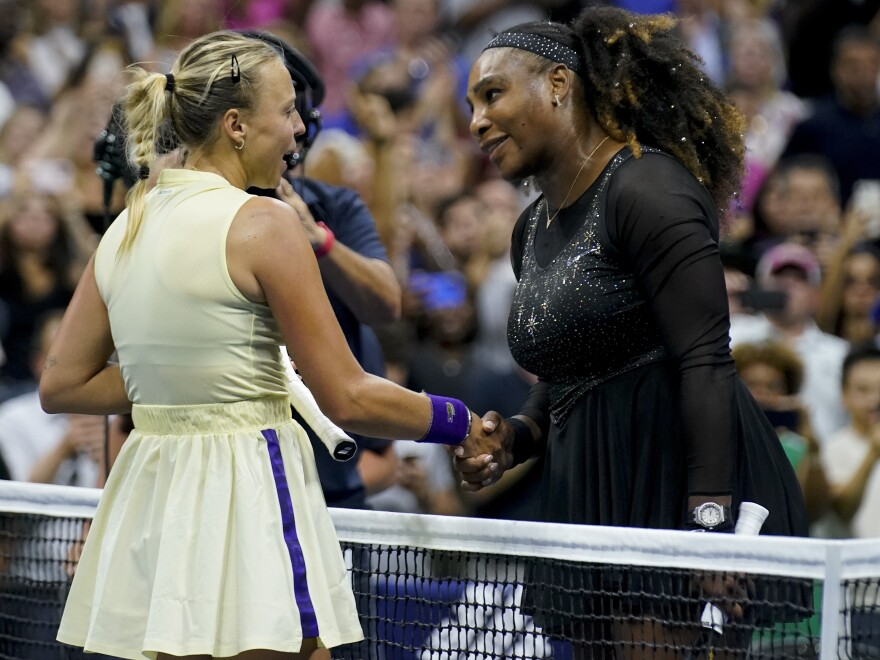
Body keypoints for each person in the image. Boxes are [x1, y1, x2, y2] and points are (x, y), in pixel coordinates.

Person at [39, 30, 490, 660]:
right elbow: (348, 395)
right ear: (236, 127)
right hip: (247, 493)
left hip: (150, 501)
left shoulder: (127, 225)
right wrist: (457, 421)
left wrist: (190, 373)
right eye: (286, 112)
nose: (300, 129)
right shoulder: (265, 224)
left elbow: (61, 385)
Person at [455, 7, 809, 658]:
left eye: (492, 94)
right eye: (471, 103)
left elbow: (705, 358)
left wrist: (706, 525)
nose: (476, 121)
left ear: (559, 84)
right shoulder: (529, 229)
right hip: (590, 488)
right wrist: (518, 437)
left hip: (679, 480)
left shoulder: (647, 187)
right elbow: (568, 377)